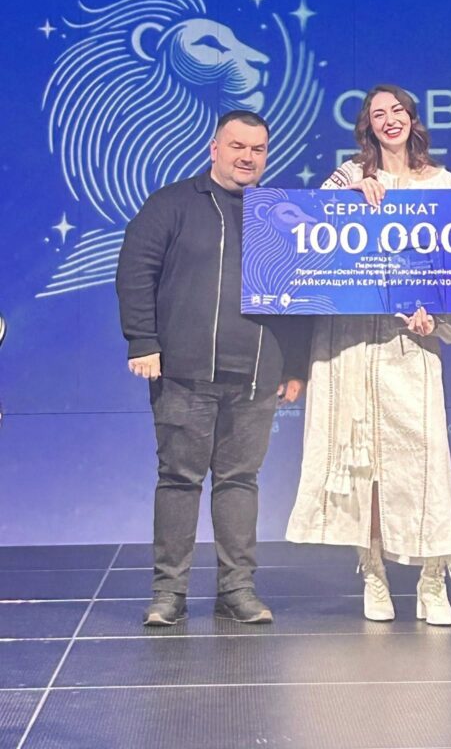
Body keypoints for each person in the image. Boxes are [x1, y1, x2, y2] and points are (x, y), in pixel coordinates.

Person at [286, 84, 451, 625]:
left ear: (413, 119)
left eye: (397, 111)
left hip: (409, 345)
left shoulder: (441, 183)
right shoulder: (348, 175)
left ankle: (433, 579)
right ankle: (373, 574)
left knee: (424, 460)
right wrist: (349, 192)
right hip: (350, 344)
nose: (389, 120)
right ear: (367, 126)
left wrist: (437, 315)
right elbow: (305, 227)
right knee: (362, 462)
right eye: (377, 114)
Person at [116, 111, 309, 627]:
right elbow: (135, 272)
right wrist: (142, 340)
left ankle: (237, 590)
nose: (248, 157)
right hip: (183, 375)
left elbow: (300, 292)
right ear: (214, 149)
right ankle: (168, 593)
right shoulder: (172, 203)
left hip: (256, 376)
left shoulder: (281, 214)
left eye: (258, 149)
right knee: (178, 480)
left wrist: (295, 365)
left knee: (239, 481)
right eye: (237, 146)